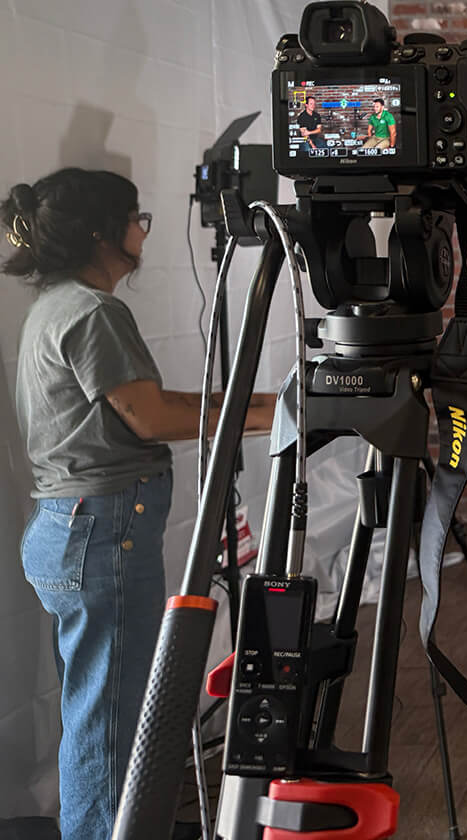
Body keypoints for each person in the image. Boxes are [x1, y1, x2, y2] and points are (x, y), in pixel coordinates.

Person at [3, 169, 278, 840]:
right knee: (112, 721)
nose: (143, 230)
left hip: (76, 530)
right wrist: (272, 408)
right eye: (137, 218)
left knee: (97, 709)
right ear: (104, 233)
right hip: (101, 531)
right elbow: (149, 417)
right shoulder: (94, 312)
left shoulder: (57, 304)